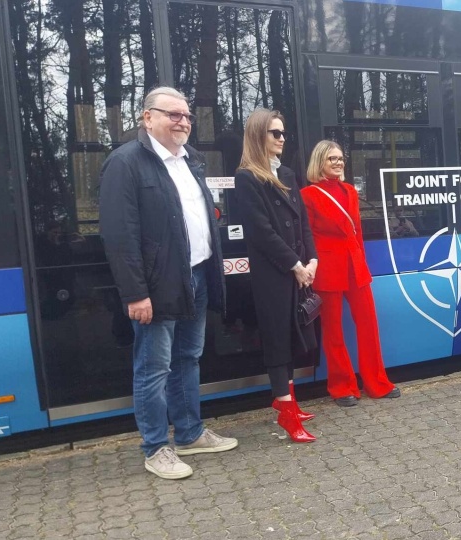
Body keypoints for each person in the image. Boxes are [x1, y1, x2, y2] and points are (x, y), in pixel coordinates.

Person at [99, 87, 237, 480]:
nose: (183, 122)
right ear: (147, 118)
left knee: (188, 357)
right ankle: (156, 447)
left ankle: (190, 433)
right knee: (153, 367)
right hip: (156, 286)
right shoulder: (125, 163)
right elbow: (119, 236)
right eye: (173, 115)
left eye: (187, 116)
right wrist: (135, 293)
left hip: (196, 274)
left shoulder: (191, 159)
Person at [232, 109, 318, 442]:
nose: (281, 139)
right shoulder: (247, 177)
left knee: (295, 336)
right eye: (274, 133)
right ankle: (285, 411)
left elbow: (303, 223)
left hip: (298, 270)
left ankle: (288, 401)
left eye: (283, 133)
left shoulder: (288, 174)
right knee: (278, 340)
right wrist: (295, 265)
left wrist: (312, 260)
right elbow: (261, 231)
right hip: (274, 273)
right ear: (258, 136)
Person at [301, 141, 400, 406]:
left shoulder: (350, 191)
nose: (338, 162)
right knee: (334, 332)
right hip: (327, 269)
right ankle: (342, 386)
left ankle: (376, 382)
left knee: (369, 325)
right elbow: (306, 237)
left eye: (341, 158)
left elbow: (357, 231)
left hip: (356, 267)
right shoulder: (308, 195)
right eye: (331, 158)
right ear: (319, 162)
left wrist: (363, 263)